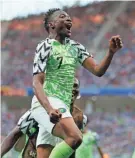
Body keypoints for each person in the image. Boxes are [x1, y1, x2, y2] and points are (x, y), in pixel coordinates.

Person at [31, 8, 123, 158]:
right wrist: (49, 109)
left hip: (61, 108)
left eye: (69, 18)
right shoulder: (45, 46)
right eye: (63, 17)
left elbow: (97, 70)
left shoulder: (76, 47)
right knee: (75, 137)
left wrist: (110, 53)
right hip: (48, 104)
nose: (69, 20)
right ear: (52, 24)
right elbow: (36, 83)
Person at [1, 79, 83, 158]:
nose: (71, 94)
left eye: (74, 92)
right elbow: (14, 134)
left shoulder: (78, 117)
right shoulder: (38, 112)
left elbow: (72, 148)